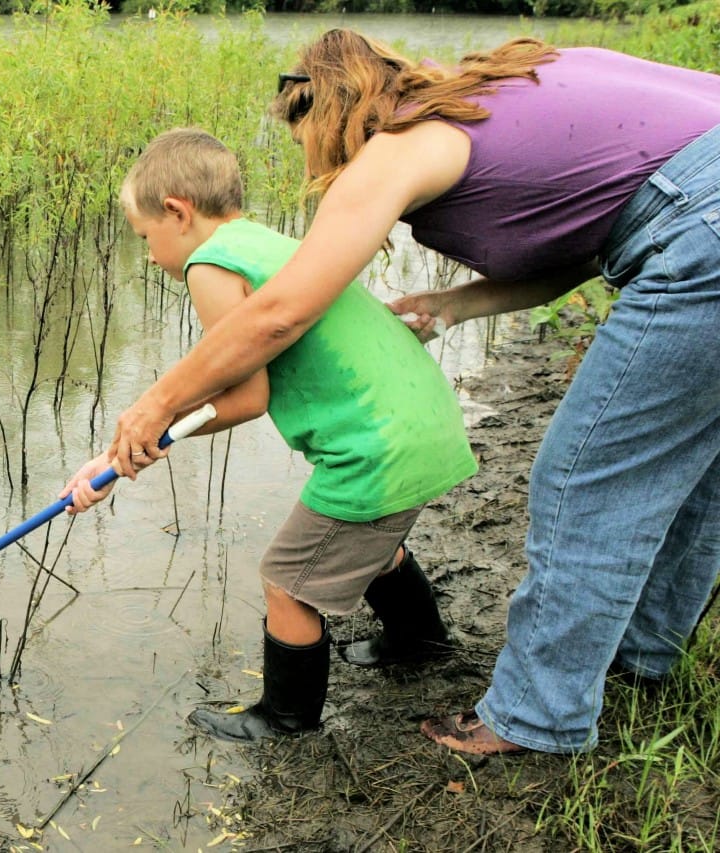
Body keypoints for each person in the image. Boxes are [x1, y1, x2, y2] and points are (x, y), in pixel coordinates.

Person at [106, 30, 720, 755]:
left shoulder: (399, 144)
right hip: (691, 210)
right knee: (691, 467)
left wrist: (154, 405)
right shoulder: (495, 93)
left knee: (584, 482)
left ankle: (538, 715)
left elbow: (280, 313)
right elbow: (597, 236)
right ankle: (638, 656)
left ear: (329, 116)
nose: (311, 165)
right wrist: (457, 305)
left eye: (303, 140)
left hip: (700, 227)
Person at [61, 127, 478, 742]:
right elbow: (230, 373)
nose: (149, 256)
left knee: (287, 581)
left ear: (178, 212)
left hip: (375, 450)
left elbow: (247, 397)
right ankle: (418, 647)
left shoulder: (210, 263)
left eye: (146, 238)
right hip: (423, 425)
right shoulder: (267, 242)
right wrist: (129, 444)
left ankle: (285, 720)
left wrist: (141, 445)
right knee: (367, 542)